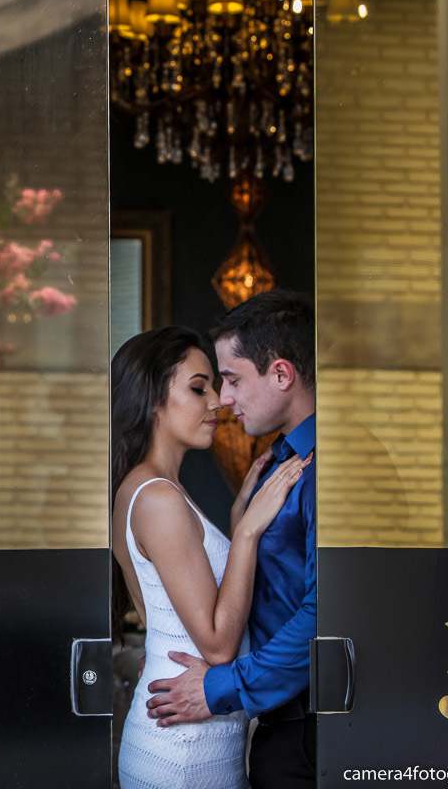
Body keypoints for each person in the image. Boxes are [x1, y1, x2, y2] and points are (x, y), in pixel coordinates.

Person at [112, 325, 310, 789]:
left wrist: (237, 517)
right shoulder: (158, 498)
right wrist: (247, 533)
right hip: (183, 749)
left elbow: (165, 618)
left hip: (191, 732)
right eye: (199, 389)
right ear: (152, 399)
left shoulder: (152, 489)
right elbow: (217, 647)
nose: (218, 402)